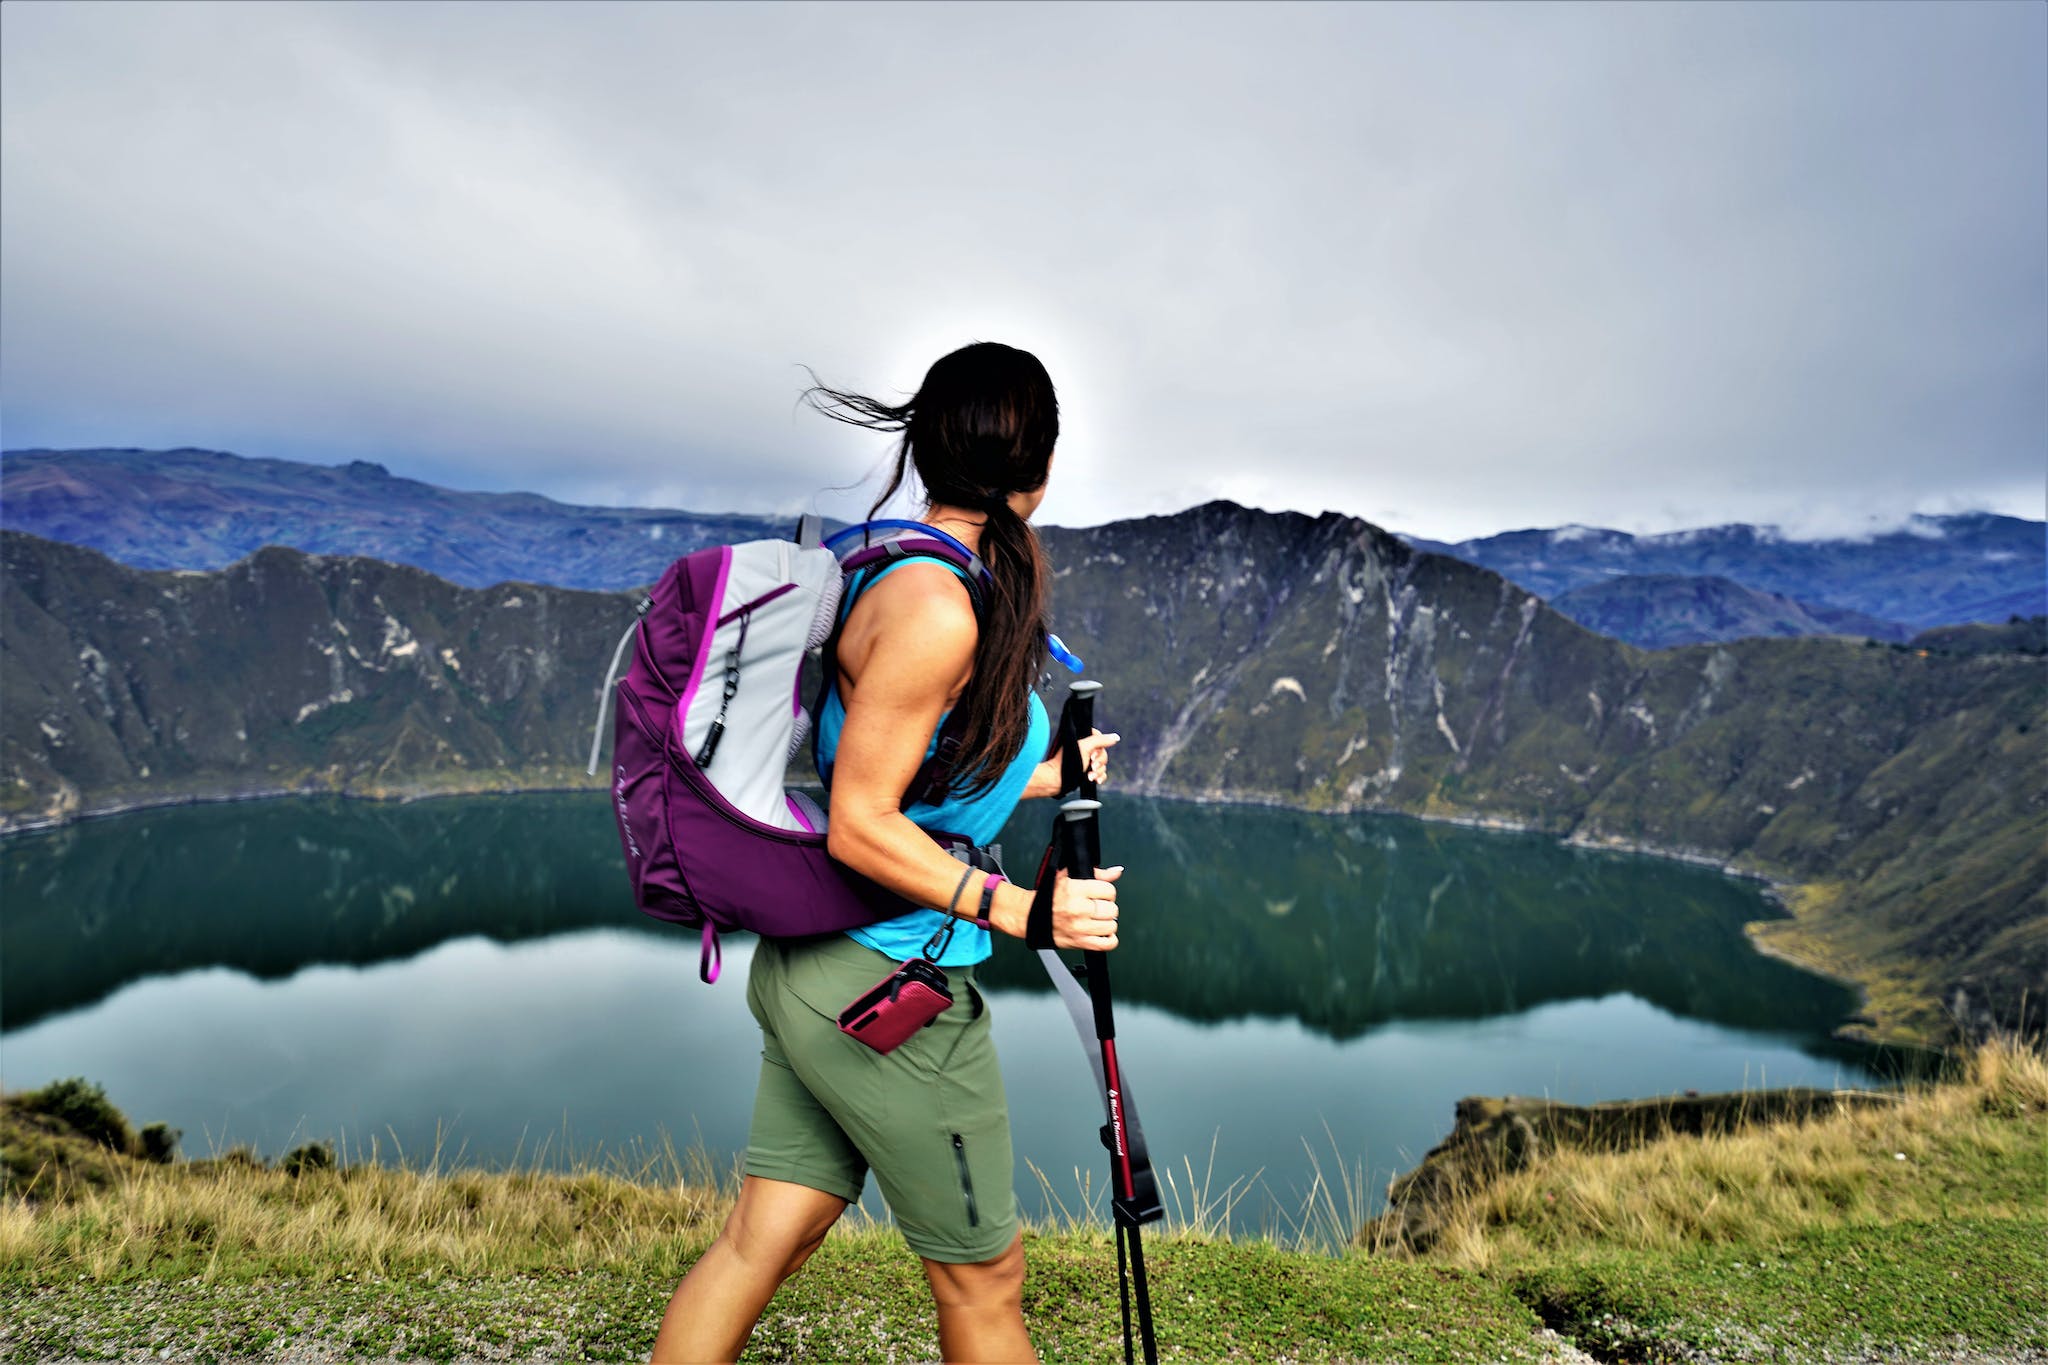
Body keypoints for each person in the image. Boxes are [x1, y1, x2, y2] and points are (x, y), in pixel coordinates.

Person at [650, 341, 1125, 1365]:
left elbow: (918, 775)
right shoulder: (935, 607)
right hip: (888, 992)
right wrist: (1022, 913)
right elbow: (863, 820)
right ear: (1036, 473)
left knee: (759, 1239)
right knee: (984, 1279)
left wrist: (1051, 774)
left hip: (820, 969)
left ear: (924, 450)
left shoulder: (901, 565)